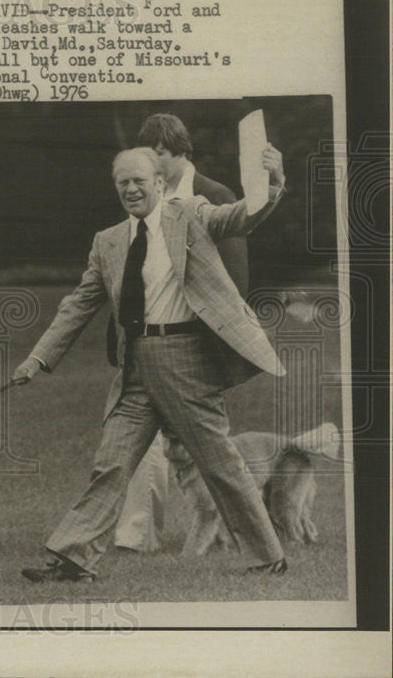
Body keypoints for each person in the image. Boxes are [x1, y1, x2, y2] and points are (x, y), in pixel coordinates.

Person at [15, 146, 289, 582]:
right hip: (134, 367)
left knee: (220, 463)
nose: (130, 188)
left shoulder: (193, 214)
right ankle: (73, 557)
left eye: (139, 180)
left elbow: (241, 217)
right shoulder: (107, 241)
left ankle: (266, 555)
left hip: (187, 363)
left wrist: (272, 183)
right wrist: (37, 358)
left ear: (160, 183)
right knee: (112, 463)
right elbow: (77, 306)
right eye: (122, 182)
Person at [113, 113, 256, 553]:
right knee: (139, 441)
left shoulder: (213, 196)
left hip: (198, 347)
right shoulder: (143, 196)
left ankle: (238, 533)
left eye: (157, 152)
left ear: (180, 151)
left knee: (209, 449)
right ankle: (136, 537)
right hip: (144, 342)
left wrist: (213, 348)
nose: (147, 162)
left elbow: (234, 281)